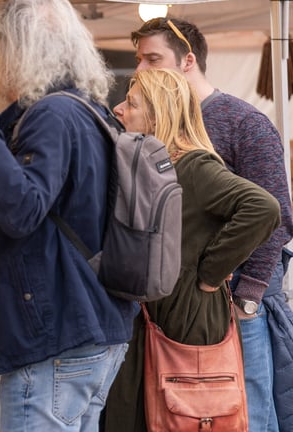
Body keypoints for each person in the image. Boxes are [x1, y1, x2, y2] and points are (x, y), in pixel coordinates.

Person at [0, 0, 135, 431]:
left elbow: (21, 208)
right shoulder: (85, 110)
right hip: (89, 331)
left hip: (56, 341)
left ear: (20, 50)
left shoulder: (53, 115)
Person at [132, 17, 293, 432]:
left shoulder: (245, 123)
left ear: (188, 61)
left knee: (245, 413)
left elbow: (274, 214)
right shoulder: (155, 125)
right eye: (139, 60)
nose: (141, 71)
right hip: (184, 316)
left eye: (153, 60)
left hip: (240, 308)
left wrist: (246, 295)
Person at [102, 68, 280, 430]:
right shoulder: (154, 165)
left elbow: (264, 208)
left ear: (157, 113)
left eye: (131, 103)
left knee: (184, 415)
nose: (119, 109)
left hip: (189, 317)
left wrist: (212, 271)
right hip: (158, 317)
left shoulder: (193, 165)